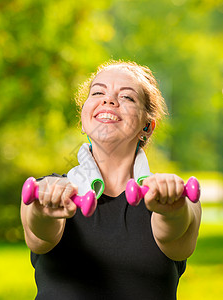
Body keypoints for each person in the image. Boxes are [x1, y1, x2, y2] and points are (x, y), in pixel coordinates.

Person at [20, 60, 202, 299]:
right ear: (84, 117)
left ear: (147, 126)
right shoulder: (42, 192)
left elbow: (175, 236)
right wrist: (44, 209)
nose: (109, 100)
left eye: (127, 97)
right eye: (98, 92)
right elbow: (40, 236)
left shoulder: (179, 197)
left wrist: (172, 210)